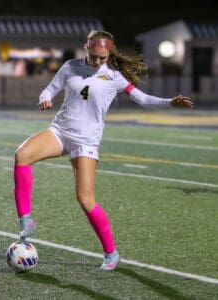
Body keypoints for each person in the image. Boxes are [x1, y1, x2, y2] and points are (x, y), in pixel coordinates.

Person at [13, 30, 193, 271]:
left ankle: (111, 252)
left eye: (103, 58)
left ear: (109, 53)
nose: (98, 62)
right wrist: (44, 98)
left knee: (85, 199)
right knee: (22, 155)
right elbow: (50, 89)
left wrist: (169, 102)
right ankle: (26, 220)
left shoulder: (114, 77)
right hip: (60, 132)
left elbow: (142, 98)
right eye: (95, 56)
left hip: (85, 142)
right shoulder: (70, 66)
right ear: (86, 48)